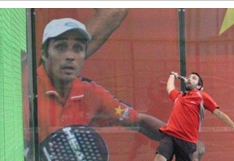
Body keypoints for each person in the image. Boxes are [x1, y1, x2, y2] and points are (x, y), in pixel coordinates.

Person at [37, 18, 165, 152]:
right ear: (44, 54)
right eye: (61, 47)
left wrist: (178, 138)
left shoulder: (91, 92)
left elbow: (138, 121)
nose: (70, 56)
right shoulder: (24, 89)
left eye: (78, 48)